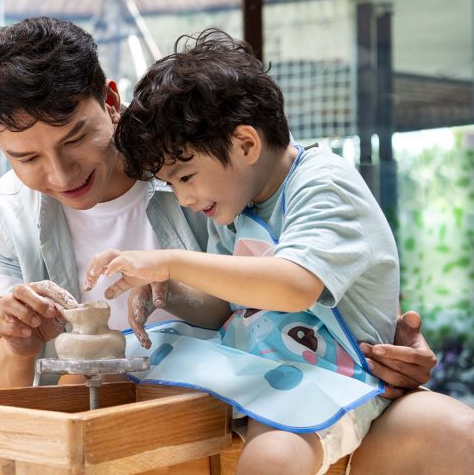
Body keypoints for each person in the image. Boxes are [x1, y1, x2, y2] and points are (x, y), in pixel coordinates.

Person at [0, 17, 473, 474]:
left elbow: (297, 273)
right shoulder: (7, 212)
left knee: (448, 431)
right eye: (25, 158)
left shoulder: (198, 168)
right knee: (76, 392)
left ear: (111, 101)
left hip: (261, 385)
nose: (60, 174)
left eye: (73, 138)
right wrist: (19, 342)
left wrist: (385, 342)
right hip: (141, 404)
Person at [86, 28, 396, 474]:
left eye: (185, 177)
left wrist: (169, 259)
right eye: (171, 184)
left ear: (246, 143)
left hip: (336, 376)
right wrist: (168, 290)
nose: (184, 198)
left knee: (271, 458)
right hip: (259, 359)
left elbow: (295, 287)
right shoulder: (236, 204)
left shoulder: (324, 184)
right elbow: (226, 310)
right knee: (129, 393)